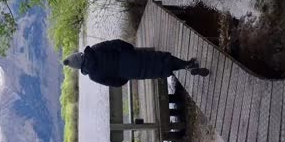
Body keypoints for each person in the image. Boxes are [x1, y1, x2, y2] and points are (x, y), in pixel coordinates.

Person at [63, 39, 210, 87]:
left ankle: (186, 67)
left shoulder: (93, 76)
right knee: (160, 58)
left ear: (79, 67)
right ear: (80, 56)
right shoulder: (94, 50)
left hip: (127, 72)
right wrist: (129, 48)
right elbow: (115, 43)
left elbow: (114, 83)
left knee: (156, 70)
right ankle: (186, 65)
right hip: (129, 57)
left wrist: (125, 77)